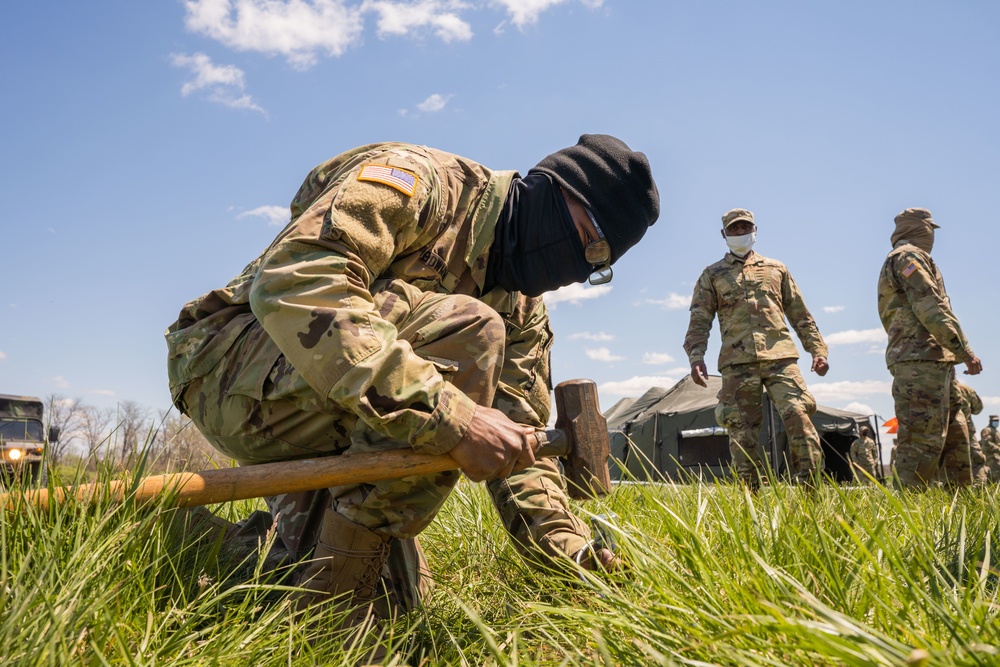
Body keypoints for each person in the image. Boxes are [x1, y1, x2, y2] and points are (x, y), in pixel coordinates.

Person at [164, 135, 659, 627]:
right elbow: (298, 281)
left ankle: (181, 539)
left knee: (401, 597)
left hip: (334, 411)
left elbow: (518, 442)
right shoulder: (422, 183)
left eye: (599, 266)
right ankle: (329, 613)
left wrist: (569, 554)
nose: (577, 269)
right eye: (586, 240)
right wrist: (454, 417)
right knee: (472, 328)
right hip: (229, 368)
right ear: (550, 189)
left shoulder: (524, 311)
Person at [683, 208, 829, 488]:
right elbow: (699, 319)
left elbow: (800, 314)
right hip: (737, 363)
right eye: (734, 229)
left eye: (745, 227)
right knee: (742, 432)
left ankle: (812, 495)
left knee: (799, 415)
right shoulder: (712, 275)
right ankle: (752, 498)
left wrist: (818, 350)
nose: (740, 233)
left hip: (781, 358)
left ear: (755, 230)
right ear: (724, 234)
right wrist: (696, 357)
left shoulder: (777, 269)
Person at [877, 207, 982, 487]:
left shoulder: (914, 257)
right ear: (916, 229)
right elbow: (930, 307)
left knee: (956, 438)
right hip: (919, 361)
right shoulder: (907, 257)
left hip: (936, 359)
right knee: (921, 441)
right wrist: (964, 351)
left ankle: (961, 510)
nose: (932, 237)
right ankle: (906, 515)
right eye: (929, 230)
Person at [946, 382, 988, 484]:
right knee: (976, 461)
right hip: (966, 431)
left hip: (938, 431)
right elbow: (978, 408)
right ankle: (978, 489)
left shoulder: (935, 384)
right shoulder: (965, 389)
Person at [981, 415, 1000, 481]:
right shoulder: (987, 430)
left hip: (996, 456)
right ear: (990, 421)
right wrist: (998, 449)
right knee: (994, 473)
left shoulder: (996, 431)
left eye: (997, 420)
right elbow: (986, 443)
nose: (996, 422)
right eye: (995, 421)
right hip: (989, 456)